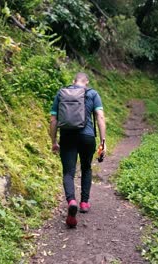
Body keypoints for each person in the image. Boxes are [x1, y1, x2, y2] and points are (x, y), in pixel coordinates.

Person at [49, 72, 106, 227]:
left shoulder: (62, 93)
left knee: (68, 172)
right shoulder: (93, 94)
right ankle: (84, 203)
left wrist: (54, 141)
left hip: (67, 137)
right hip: (87, 137)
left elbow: (53, 120)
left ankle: (71, 201)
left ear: (73, 81)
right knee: (86, 168)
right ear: (86, 82)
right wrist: (103, 141)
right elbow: (100, 117)